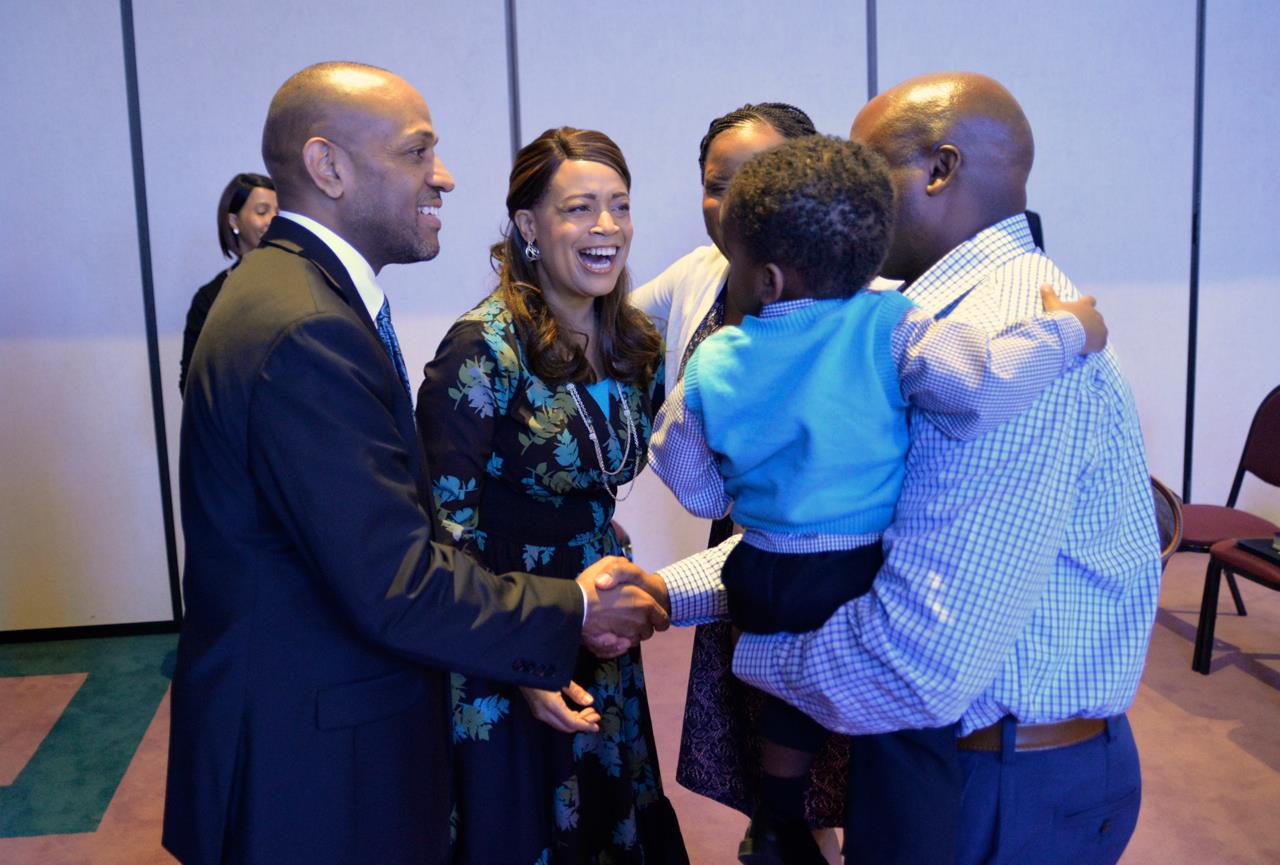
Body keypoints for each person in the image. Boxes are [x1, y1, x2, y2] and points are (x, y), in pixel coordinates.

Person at [643, 72, 1162, 865]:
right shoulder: (907, 317)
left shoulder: (1005, 337)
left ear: (941, 170)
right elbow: (823, 533)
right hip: (956, 761)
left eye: (860, 167)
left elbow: (917, 661)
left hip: (998, 783)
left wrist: (756, 658)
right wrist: (662, 595)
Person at [164, 64, 667, 865]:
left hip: (319, 719)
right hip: (312, 752)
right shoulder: (304, 328)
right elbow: (395, 578)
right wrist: (569, 608)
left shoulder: (300, 295)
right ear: (330, 167)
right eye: (417, 152)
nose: (445, 175)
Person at [416, 127, 688, 865]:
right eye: (580, 209)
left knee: (610, 820)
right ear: (530, 228)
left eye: (620, 206)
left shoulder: (631, 341)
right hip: (504, 629)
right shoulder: (482, 347)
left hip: (600, 623)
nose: (606, 228)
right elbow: (446, 528)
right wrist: (523, 658)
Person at [631, 105, 851, 861]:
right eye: (717, 182)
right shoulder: (701, 273)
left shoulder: (863, 292)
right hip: (740, 547)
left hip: (840, 556)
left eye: (759, 179)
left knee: (834, 771)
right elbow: (611, 326)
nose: (735, 201)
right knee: (771, 779)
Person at [178, 172, 277, 394]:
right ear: (234, 221)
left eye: (278, 212)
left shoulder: (303, 281)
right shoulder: (210, 298)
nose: (273, 219)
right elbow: (191, 383)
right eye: (262, 211)